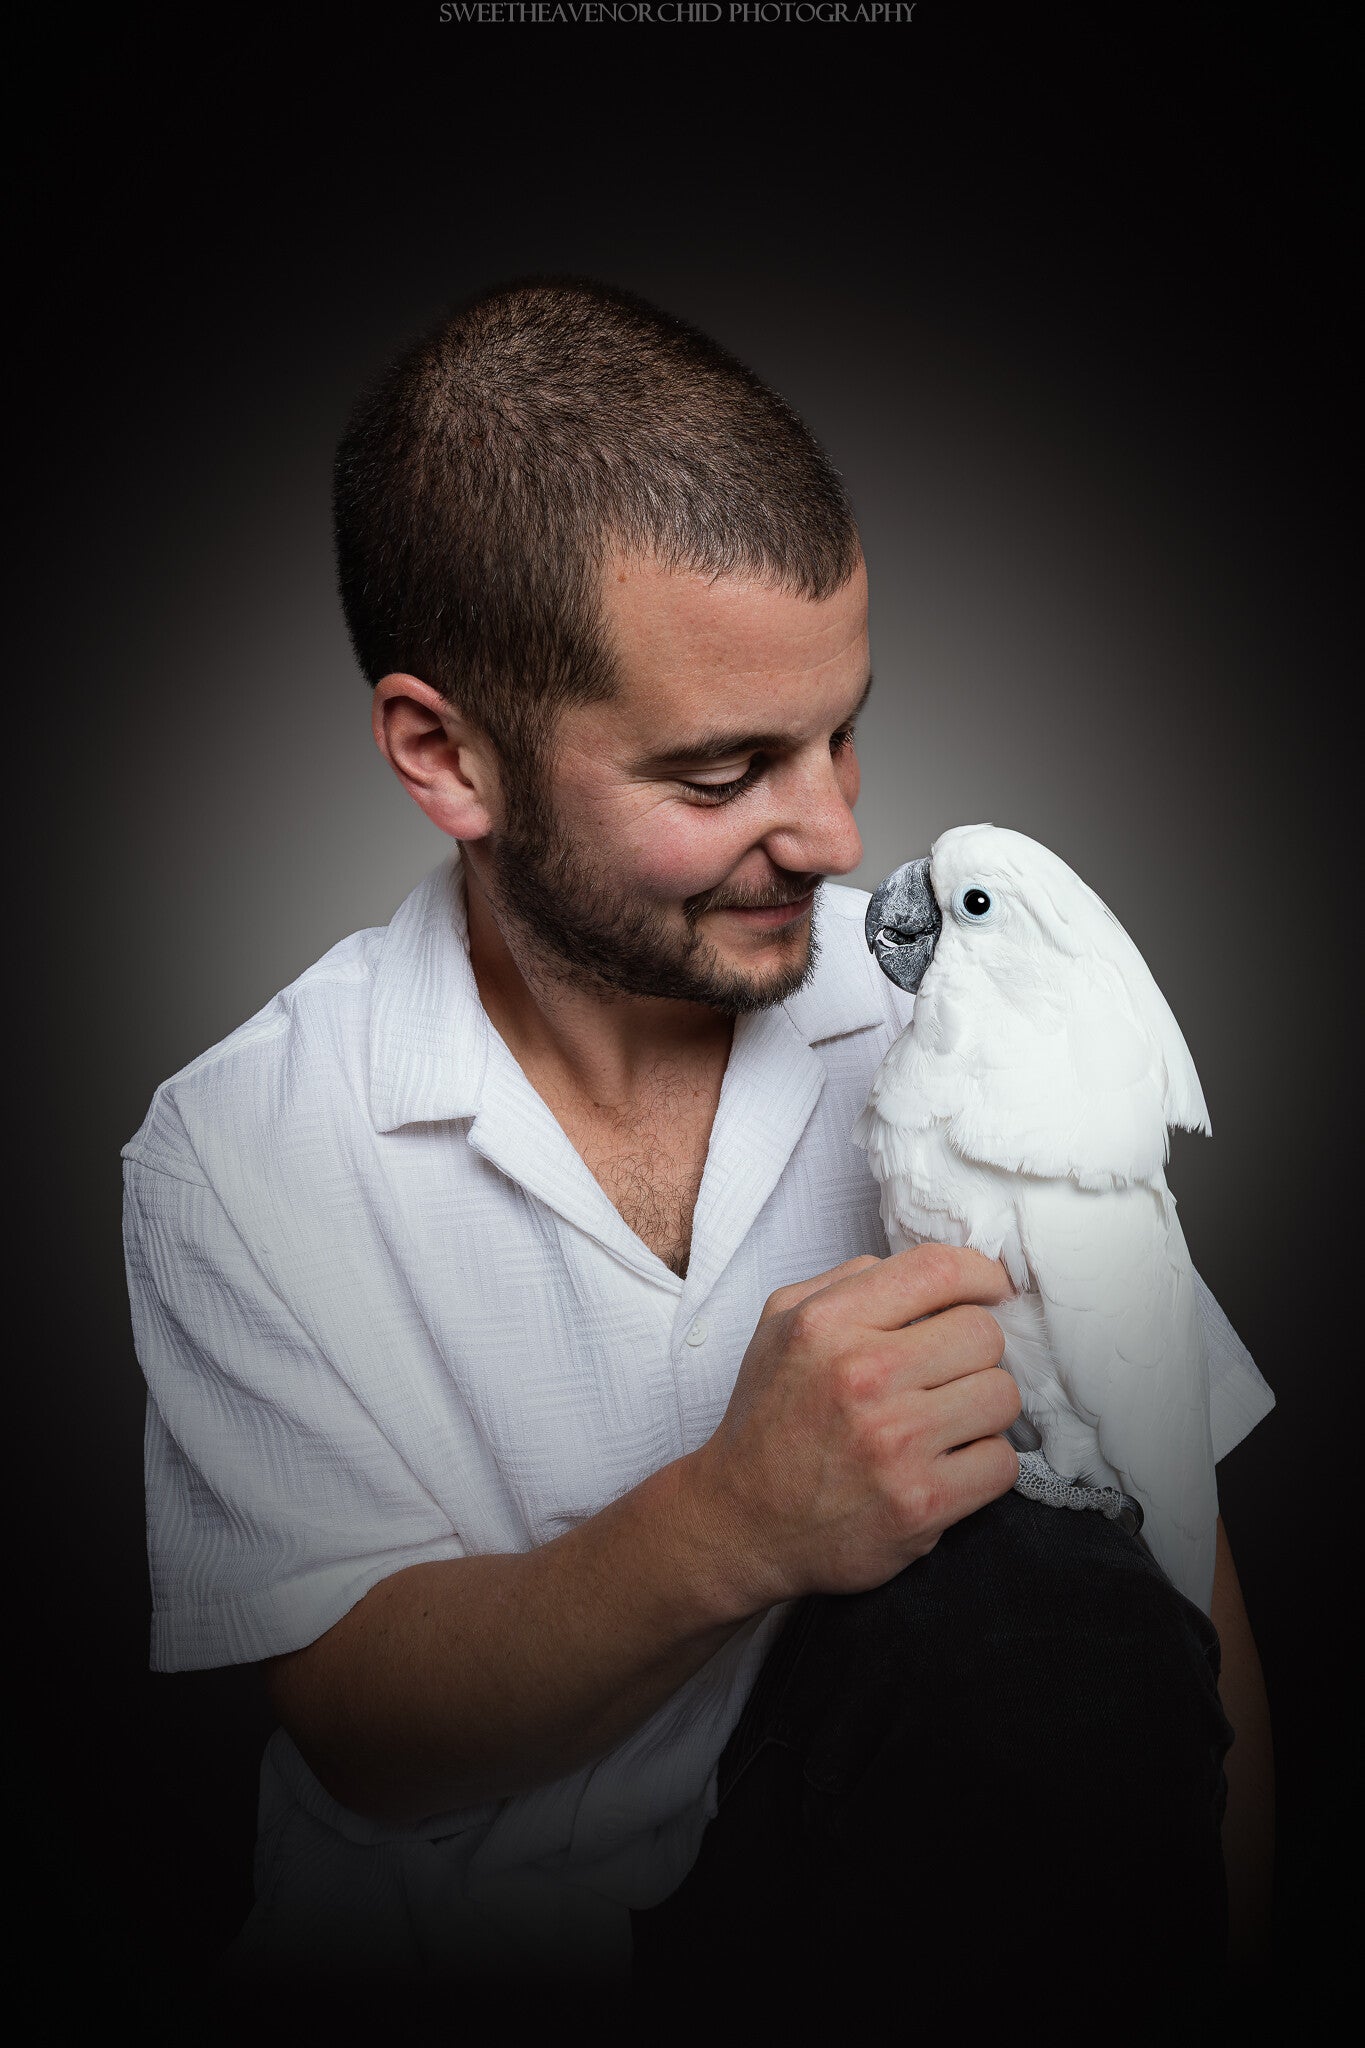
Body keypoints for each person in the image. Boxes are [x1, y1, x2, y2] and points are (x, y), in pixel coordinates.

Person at [121, 277, 1275, 2014]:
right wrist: (732, 1518)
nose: (833, 835)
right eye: (725, 771)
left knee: (1050, 1596)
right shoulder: (236, 1149)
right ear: (446, 757)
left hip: (919, 1944)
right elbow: (364, 1730)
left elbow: (1173, 1607)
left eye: (841, 732)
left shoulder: (965, 1033)